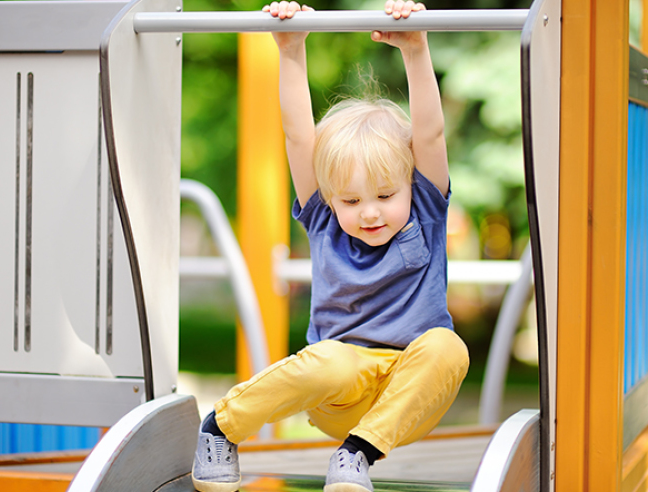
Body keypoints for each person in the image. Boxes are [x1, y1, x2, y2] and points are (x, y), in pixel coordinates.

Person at [192, 2, 469, 491]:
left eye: (385, 196)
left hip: (408, 394)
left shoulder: (426, 209)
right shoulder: (323, 219)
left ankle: (356, 456)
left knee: (447, 346)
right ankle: (221, 427)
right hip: (339, 394)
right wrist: (291, 49)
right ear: (331, 199)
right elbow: (300, 136)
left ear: (409, 185)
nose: (369, 212)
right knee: (334, 359)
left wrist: (416, 49)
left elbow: (430, 131)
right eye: (352, 200)